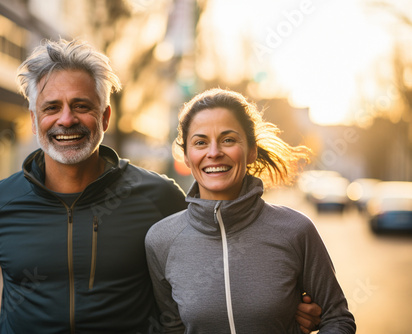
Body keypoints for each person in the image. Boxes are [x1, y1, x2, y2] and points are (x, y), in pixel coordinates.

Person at [0, 39, 322, 333]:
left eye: (81, 105)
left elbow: (219, 254)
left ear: (105, 115)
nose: (66, 119)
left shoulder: (158, 197)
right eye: (51, 108)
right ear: (33, 119)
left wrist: (284, 303)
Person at [145, 88, 356, 333]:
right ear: (187, 156)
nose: (214, 152)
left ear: (251, 151)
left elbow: (338, 319)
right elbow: (172, 327)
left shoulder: (296, 230)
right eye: (200, 142)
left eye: (228, 140)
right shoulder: (161, 240)